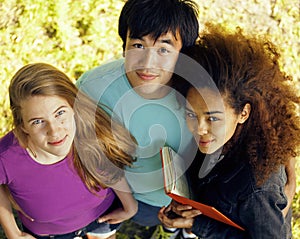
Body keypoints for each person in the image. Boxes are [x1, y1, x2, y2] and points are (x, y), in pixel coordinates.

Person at [157, 25, 300, 238]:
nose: (199, 129)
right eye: (191, 114)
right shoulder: (218, 136)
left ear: (243, 113)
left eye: (213, 118)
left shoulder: (258, 187)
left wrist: (197, 225)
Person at [76, 0, 200, 238]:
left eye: (164, 49)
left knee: (179, 222)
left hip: (185, 198)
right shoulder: (93, 88)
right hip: (119, 193)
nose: (148, 64)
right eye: (138, 45)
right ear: (124, 45)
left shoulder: (203, 89)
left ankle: (173, 229)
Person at [0, 63, 138, 239]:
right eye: (37, 122)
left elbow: (112, 171)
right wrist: (12, 232)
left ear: (73, 106)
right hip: (52, 234)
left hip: (103, 217)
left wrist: (129, 206)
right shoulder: (6, 157)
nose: (55, 131)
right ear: (22, 126)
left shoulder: (90, 132)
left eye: (59, 113)